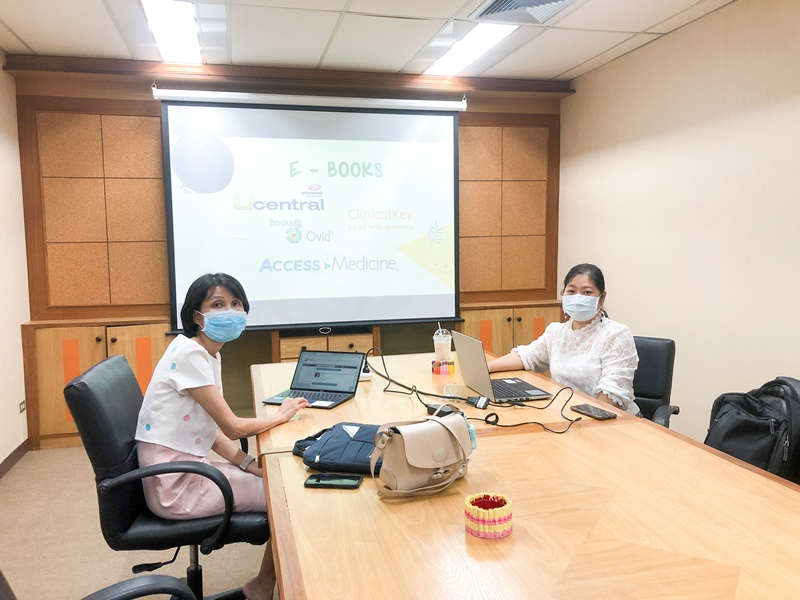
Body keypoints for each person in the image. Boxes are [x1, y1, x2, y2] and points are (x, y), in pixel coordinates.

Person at [135, 273, 310, 600]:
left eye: (235, 303)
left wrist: (247, 463)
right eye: (217, 304)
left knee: (273, 478)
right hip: (176, 485)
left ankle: (263, 585)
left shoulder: (206, 352)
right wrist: (279, 416)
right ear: (197, 316)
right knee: (287, 498)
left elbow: (209, 428)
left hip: (184, 468)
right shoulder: (190, 355)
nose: (229, 311)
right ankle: (264, 587)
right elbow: (232, 427)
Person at [487, 263, 640, 415]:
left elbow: (612, 394)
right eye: (571, 291)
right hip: (565, 414)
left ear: (602, 298)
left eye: (587, 292)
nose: (578, 298)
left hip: (608, 420)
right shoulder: (556, 331)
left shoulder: (616, 334)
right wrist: (487, 367)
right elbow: (528, 356)